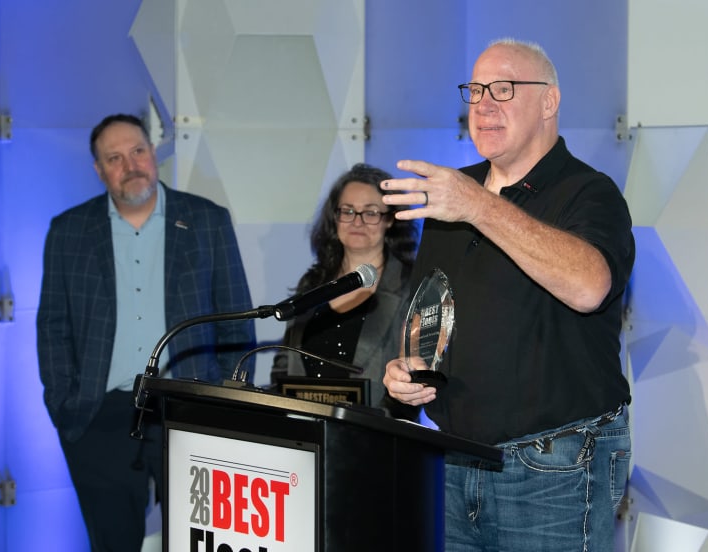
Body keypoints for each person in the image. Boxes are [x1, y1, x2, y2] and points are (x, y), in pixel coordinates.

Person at [381, 39, 635, 551]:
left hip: (555, 470)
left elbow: (590, 287)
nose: (483, 105)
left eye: (503, 89)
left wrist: (478, 206)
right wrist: (407, 369)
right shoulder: (454, 193)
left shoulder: (590, 192)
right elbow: (433, 311)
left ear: (549, 101)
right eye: (475, 90)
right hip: (454, 460)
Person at [36, 113, 256, 552]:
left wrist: (227, 403)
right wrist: (65, 401)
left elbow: (235, 320)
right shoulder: (69, 231)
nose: (130, 165)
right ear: (99, 170)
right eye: (114, 158)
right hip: (100, 418)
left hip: (191, 409)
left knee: (203, 542)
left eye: (137, 151)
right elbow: (53, 326)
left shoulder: (207, 221)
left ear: (153, 154)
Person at [271, 163, 419, 418]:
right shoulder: (313, 282)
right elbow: (284, 365)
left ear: (390, 220)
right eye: (348, 211)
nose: (357, 221)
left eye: (370, 212)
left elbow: (414, 379)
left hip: (378, 435)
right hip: (305, 432)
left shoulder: (411, 286)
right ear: (335, 218)